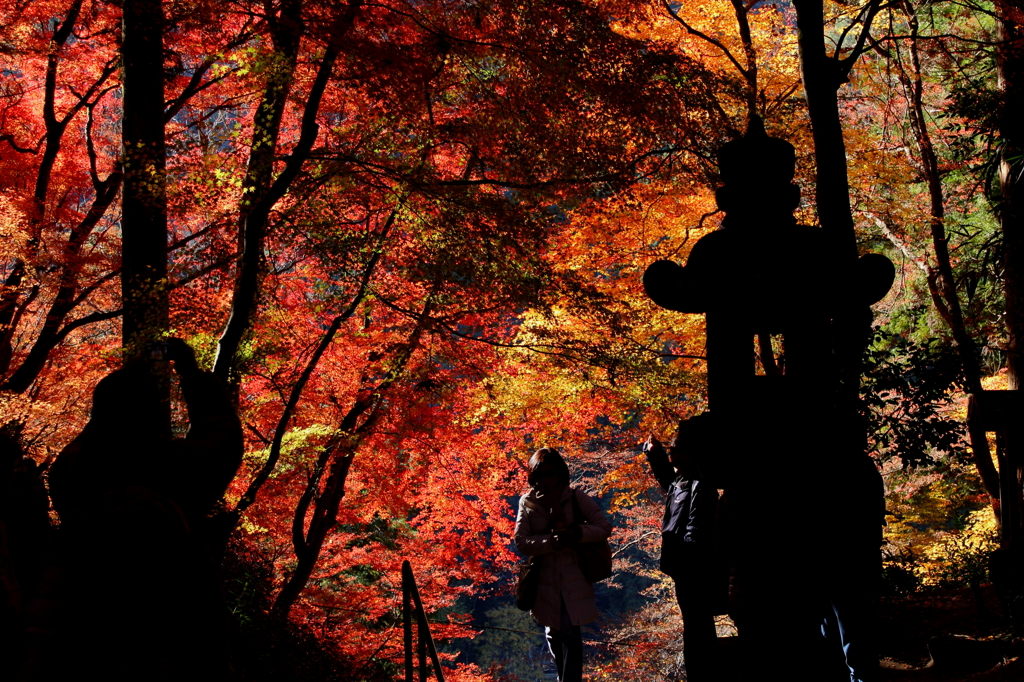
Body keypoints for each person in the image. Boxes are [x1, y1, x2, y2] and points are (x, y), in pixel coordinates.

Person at [514, 447, 612, 682]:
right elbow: (521, 541)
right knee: (553, 634)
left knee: (570, 633)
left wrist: (577, 534)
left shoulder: (576, 497)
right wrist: (550, 542)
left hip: (574, 575)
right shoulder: (527, 502)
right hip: (544, 579)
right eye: (538, 475)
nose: (544, 480)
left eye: (549, 473)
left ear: (560, 473)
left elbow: (604, 527)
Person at [643, 419, 720, 681]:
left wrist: (685, 561)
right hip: (683, 566)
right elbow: (668, 479)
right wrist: (655, 453)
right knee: (695, 625)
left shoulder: (700, 485)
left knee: (698, 626)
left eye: (675, 448)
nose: (672, 452)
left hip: (692, 568)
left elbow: (695, 531)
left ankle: (704, 674)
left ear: (690, 453)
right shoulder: (683, 481)